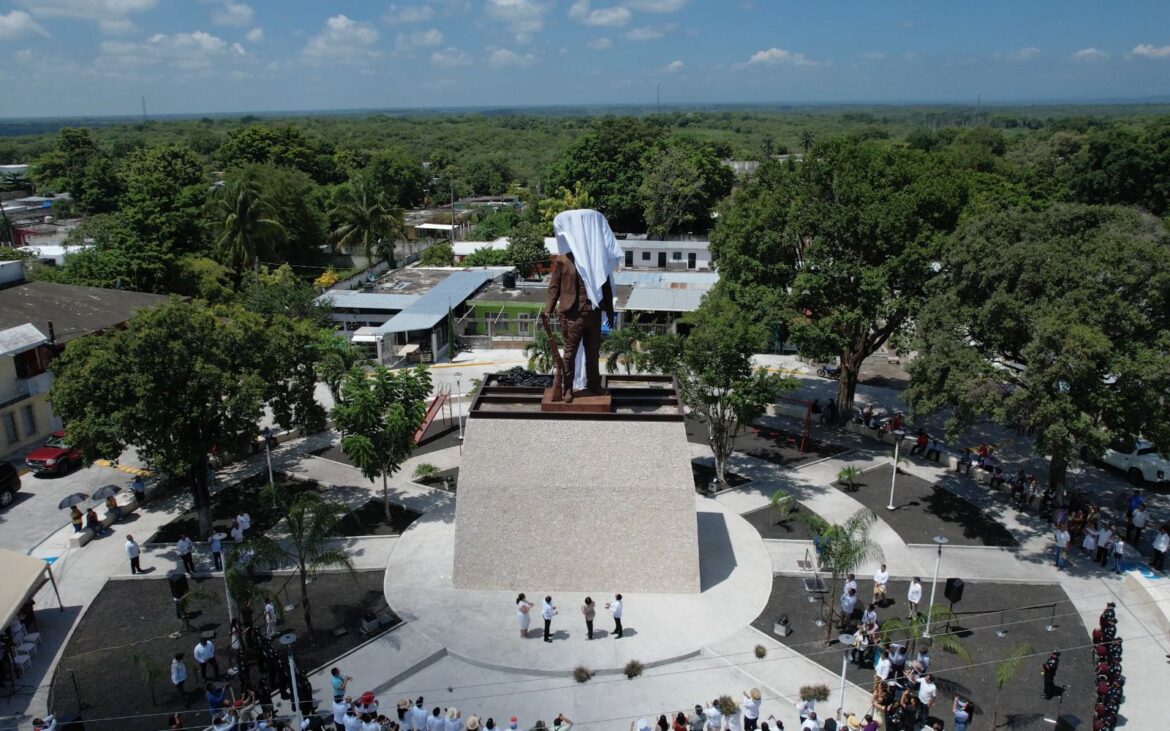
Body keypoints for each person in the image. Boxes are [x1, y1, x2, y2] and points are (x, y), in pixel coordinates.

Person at [543, 209, 621, 401]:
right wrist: (548, 310)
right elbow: (554, 288)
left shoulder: (596, 261)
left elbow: (606, 288)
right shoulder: (563, 261)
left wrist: (610, 313)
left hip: (593, 314)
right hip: (572, 315)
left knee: (593, 352)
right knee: (569, 354)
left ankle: (593, 385)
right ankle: (568, 388)